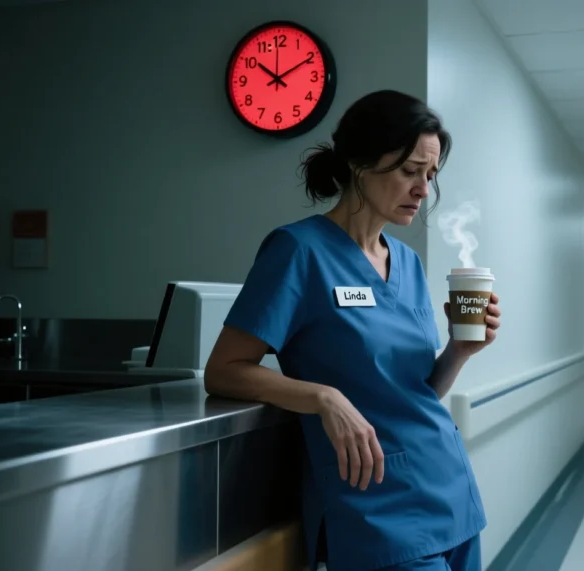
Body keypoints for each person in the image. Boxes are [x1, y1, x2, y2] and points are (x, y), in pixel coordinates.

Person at [204, 89, 501, 571]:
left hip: (450, 491)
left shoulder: (406, 261)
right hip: (378, 511)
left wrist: (460, 350)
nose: (423, 189)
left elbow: (414, 392)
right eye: (410, 171)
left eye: (430, 174)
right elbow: (223, 371)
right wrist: (324, 397)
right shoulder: (298, 251)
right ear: (361, 164)